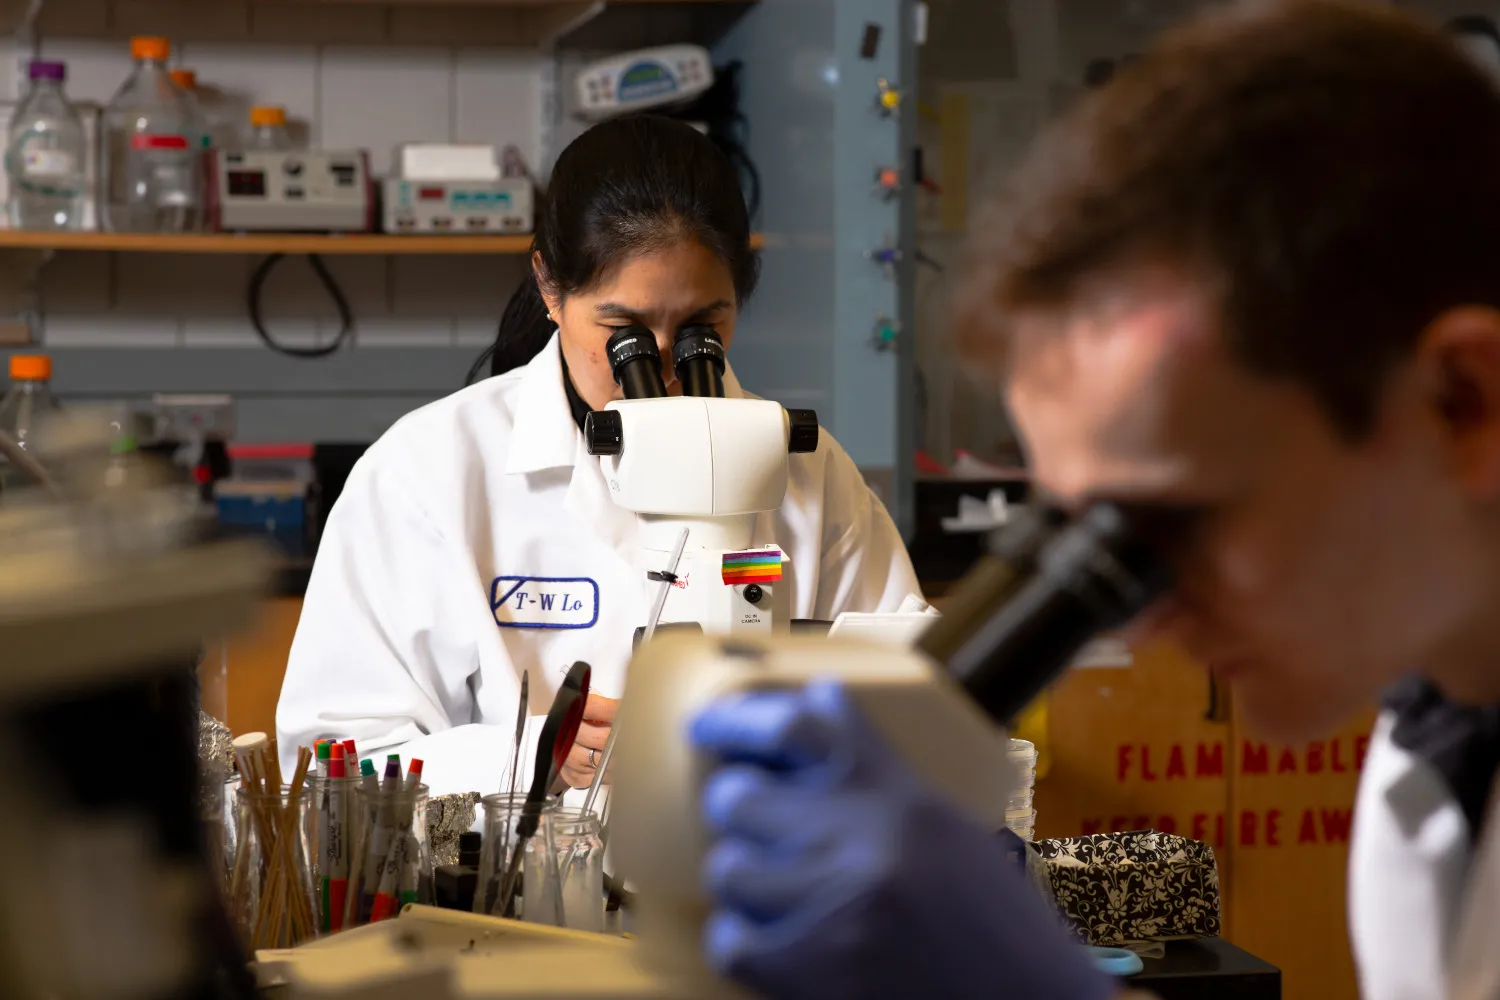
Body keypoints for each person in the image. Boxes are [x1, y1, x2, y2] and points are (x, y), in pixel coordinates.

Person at [688, 3, 1500, 999]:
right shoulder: (1437, 734)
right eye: (1083, 531)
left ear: (1462, 403)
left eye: (1174, 518)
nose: (1142, 618)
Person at [277, 115, 920, 797]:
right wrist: (530, 760)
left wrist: (811, 733)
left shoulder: (809, 470)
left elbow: (921, 703)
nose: (665, 365)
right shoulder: (426, 474)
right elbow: (328, 763)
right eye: (624, 332)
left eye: (703, 327)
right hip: (511, 865)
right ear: (549, 288)